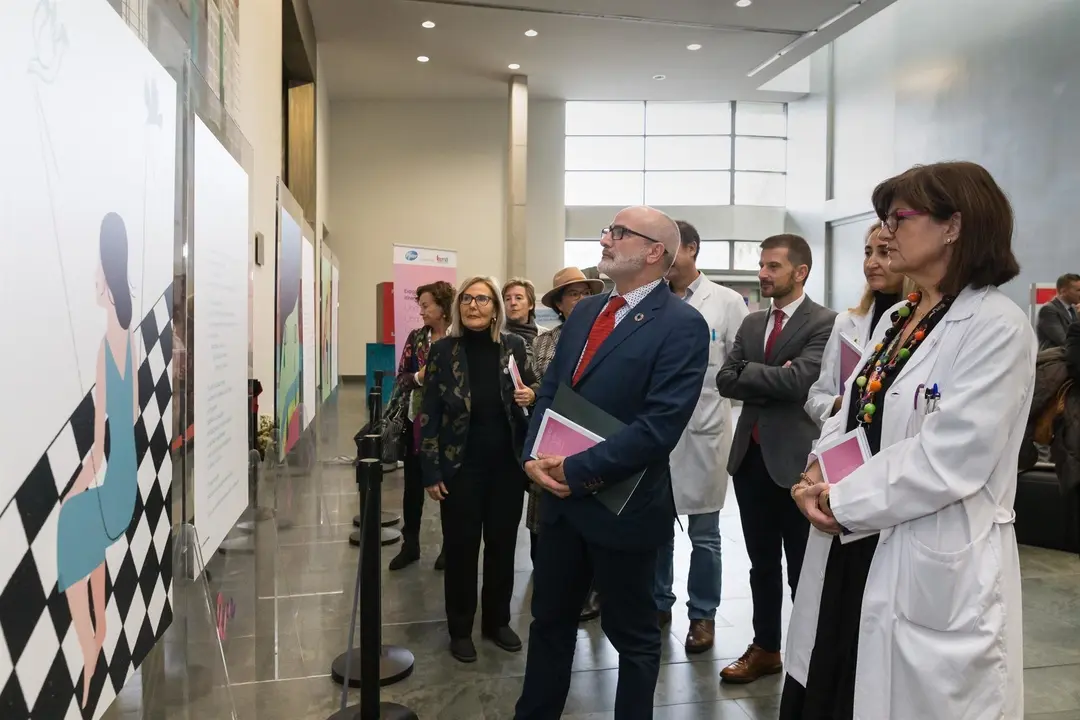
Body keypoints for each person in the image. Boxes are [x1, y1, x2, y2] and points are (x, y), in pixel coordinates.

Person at [782, 161, 1033, 720]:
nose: (885, 232)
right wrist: (817, 474)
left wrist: (839, 500)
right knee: (832, 681)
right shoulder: (898, 317)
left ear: (954, 226)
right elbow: (849, 411)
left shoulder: (995, 323)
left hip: (920, 545)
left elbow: (951, 457)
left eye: (899, 217)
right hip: (853, 541)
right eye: (883, 219)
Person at [514, 206, 709, 720]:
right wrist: (534, 456)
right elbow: (551, 391)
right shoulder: (585, 312)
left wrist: (575, 473)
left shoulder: (683, 325)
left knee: (634, 637)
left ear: (653, 252)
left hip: (621, 506)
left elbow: (659, 427)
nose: (605, 239)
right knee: (549, 621)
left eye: (619, 232)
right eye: (608, 230)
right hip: (557, 505)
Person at [715, 234, 835, 684]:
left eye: (773, 266)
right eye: (762, 265)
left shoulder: (826, 322)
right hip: (750, 461)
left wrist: (753, 374)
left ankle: (810, 653)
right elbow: (726, 380)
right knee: (761, 564)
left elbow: (803, 382)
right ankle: (765, 647)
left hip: (798, 466)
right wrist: (768, 376)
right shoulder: (750, 325)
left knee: (805, 567)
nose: (762, 273)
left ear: (800, 272)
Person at [419, 275, 536, 662]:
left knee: (502, 548)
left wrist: (531, 395)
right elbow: (429, 414)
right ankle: (460, 627)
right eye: (467, 299)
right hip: (460, 468)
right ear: (459, 306)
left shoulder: (514, 346)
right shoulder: (443, 351)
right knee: (461, 550)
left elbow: (535, 393)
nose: (474, 306)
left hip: (506, 467)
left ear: (495, 309)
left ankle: (497, 622)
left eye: (483, 299)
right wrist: (431, 471)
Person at [58, 213, 142, 708]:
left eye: (97, 270)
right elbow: (128, 416)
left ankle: (90, 645)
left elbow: (96, 448)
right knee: (86, 527)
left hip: (116, 490)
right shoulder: (126, 339)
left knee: (72, 522)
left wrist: (73, 491)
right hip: (125, 485)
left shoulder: (104, 348)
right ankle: (101, 623)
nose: (93, 277)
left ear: (108, 280)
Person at [654, 220, 748, 653]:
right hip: (657, 434)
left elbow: (739, 367)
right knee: (656, 529)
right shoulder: (651, 299)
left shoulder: (726, 303)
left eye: (671, 250)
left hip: (705, 433)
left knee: (705, 535)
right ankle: (658, 604)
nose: (663, 259)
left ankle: (703, 616)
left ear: (692, 249)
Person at [527, 266, 605, 622]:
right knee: (548, 519)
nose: (581, 299)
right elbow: (539, 386)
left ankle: (594, 589)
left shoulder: (606, 335)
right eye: (573, 294)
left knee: (592, 519)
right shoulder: (544, 341)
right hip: (551, 436)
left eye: (586, 292)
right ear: (559, 304)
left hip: (593, 439)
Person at [804, 222, 908, 428]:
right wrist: (843, 404)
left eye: (884, 252)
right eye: (868, 253)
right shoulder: (846, 322)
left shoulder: (922, 320)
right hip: (850, 439)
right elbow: (816, 397)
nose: (871, 263)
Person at [388, 280, 455, 571]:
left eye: (426, 305)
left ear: (442, 307)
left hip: (452, 427)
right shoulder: (416, 339)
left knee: (449, 487)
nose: (422, 311)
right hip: (417, 423)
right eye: (421, 305)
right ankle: (410, 544)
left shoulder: (460, 338)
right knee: (413, 486)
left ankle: (449, 548)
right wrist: (419, 377)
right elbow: (401, 378)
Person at [1037, 273, 1080, 350]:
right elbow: (1063, 340)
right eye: (1078, 290)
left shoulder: (1075, 309)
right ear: (1063, 291)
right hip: (1054, 359)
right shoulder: (1048, 310)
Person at [504, 277, 541, 362]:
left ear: (531, 304)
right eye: (508, 299)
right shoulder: (498, 335)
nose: (513, 303)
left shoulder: (546, 336)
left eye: (518, 298)